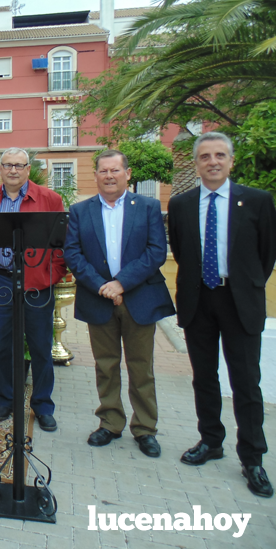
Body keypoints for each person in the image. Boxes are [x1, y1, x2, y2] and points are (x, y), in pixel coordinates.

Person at [168, 132, 276, 498]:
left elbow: (266, 255)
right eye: (204, 156)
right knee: (204, 377)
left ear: (231, 161)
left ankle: (253, 458)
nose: (212, 162)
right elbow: (182, 252)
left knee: (246, 383)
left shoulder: (258, 201)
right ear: (196, 164)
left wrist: (243, 284)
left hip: (240, 301)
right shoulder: (182, 204)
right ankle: (211, 440)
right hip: (200, 300)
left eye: (219, 155)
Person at [63, 150, 175, 457]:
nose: (109, 176)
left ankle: (145, 428)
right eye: (103, 171)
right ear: (96, 175)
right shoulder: (80, 211)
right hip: (98, 299)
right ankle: (110, 422)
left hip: (139, 298)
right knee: (106, 366)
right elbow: (72, 254)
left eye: (115, 170)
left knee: (142, 368)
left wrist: (120, 283)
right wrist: (102, 286)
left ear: (127, 173)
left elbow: (155, 252)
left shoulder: (149, 207)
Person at [0, 147, 67, 432]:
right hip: (0, 282)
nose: (13, 170)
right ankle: (5, 400)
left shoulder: (49, 199)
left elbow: (61, 244)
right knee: (3, 345)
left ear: (28, 169)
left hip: (37, 282)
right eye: (7, 165)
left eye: (19, 165)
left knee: (40, 346)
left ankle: (42, 405)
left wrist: (50, 275)